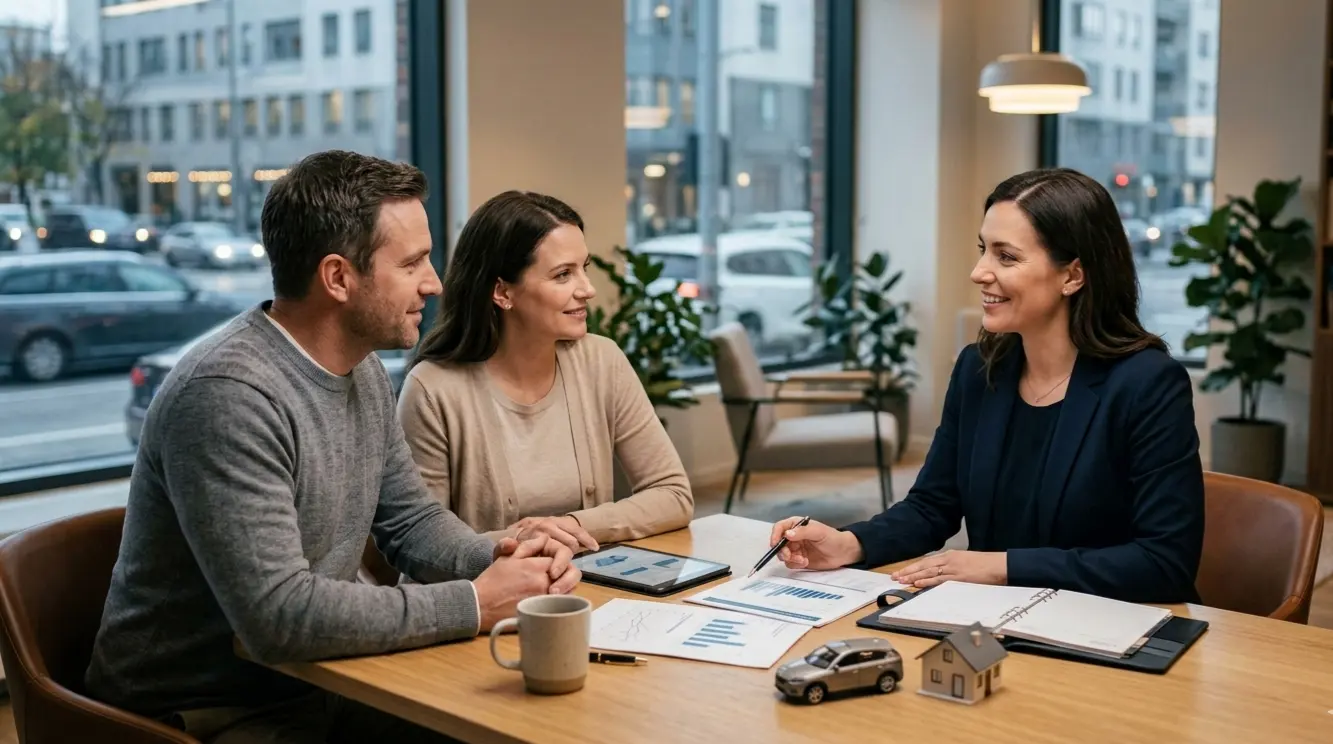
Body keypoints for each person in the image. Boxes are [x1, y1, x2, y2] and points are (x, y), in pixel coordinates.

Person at [85, 151, 580, 743]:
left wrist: (501, 556)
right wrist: (475, 602)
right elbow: (279, 617)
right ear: (339, 277)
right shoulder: (228, 396)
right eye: (414, 262)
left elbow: (411, 522)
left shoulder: (362, 370)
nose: (435, 282)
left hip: (311, 684)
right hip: (194, 713)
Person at [768, 167, 1205, 605]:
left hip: (1115, 632)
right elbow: (931, 507)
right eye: (983, 250)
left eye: (1006, 256)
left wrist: (998, 566)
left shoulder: (1148, 384)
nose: (979, 272)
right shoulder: (979, 370)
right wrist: (849, 543)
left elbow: (1163, 563)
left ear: (1072, 276)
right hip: (992, 625)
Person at [397, 190, 693, 551]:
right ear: (503, 292)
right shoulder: (432, 391)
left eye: (583, 269)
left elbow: (673, 494)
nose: (588, 289)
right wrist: (527, 541)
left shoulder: (601, 361)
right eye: (563, 275)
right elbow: (424, 547)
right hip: (494, 602)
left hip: (594, 589)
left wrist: (572, 526)